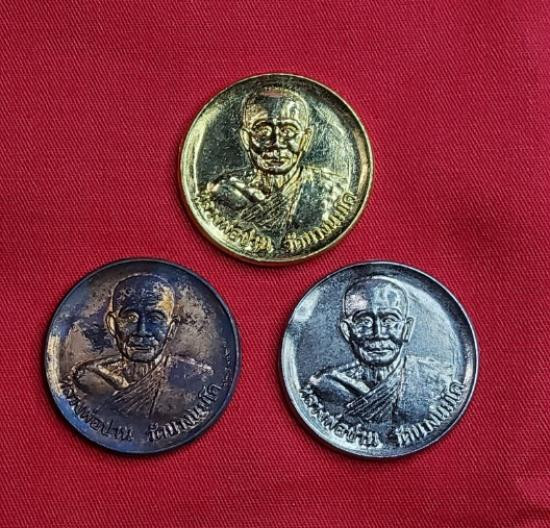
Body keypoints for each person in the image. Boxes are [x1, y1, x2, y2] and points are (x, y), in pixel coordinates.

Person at [201, 86, 348, 248]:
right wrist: (213, 197)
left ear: (305, 138)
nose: (276, 142)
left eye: (288, 130)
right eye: (263, 131)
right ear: (246, 138)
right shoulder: (224, 191)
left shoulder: (335, 191)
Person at [305, 277, 452, 426]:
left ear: (406, 329)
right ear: (347, 330)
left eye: (389, 320)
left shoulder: (436, 380)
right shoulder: (328, 384)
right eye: (364, 321)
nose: (378, 333)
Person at [73, 274, 213, 419]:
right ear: (112, 325)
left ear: (171, 329)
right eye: (131, 318)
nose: (142, 331)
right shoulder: (93, 376)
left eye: (155, 318)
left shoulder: (194, 376)